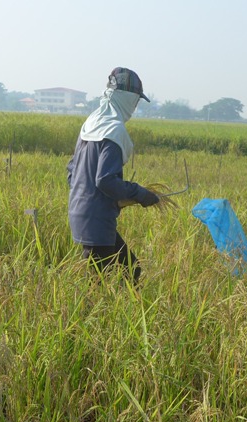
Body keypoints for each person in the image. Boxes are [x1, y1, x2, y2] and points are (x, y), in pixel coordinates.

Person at [67, 67, 162, 284]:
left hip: (83, 214)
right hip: (97, 221)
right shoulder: (113, 130)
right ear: (127, 99)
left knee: (130, 270)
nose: (135, 107)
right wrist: (139, 193)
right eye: (136, 102)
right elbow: (105, 180)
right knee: (106, 284)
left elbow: (72, 171)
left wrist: (103, 201)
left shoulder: (92, 123)